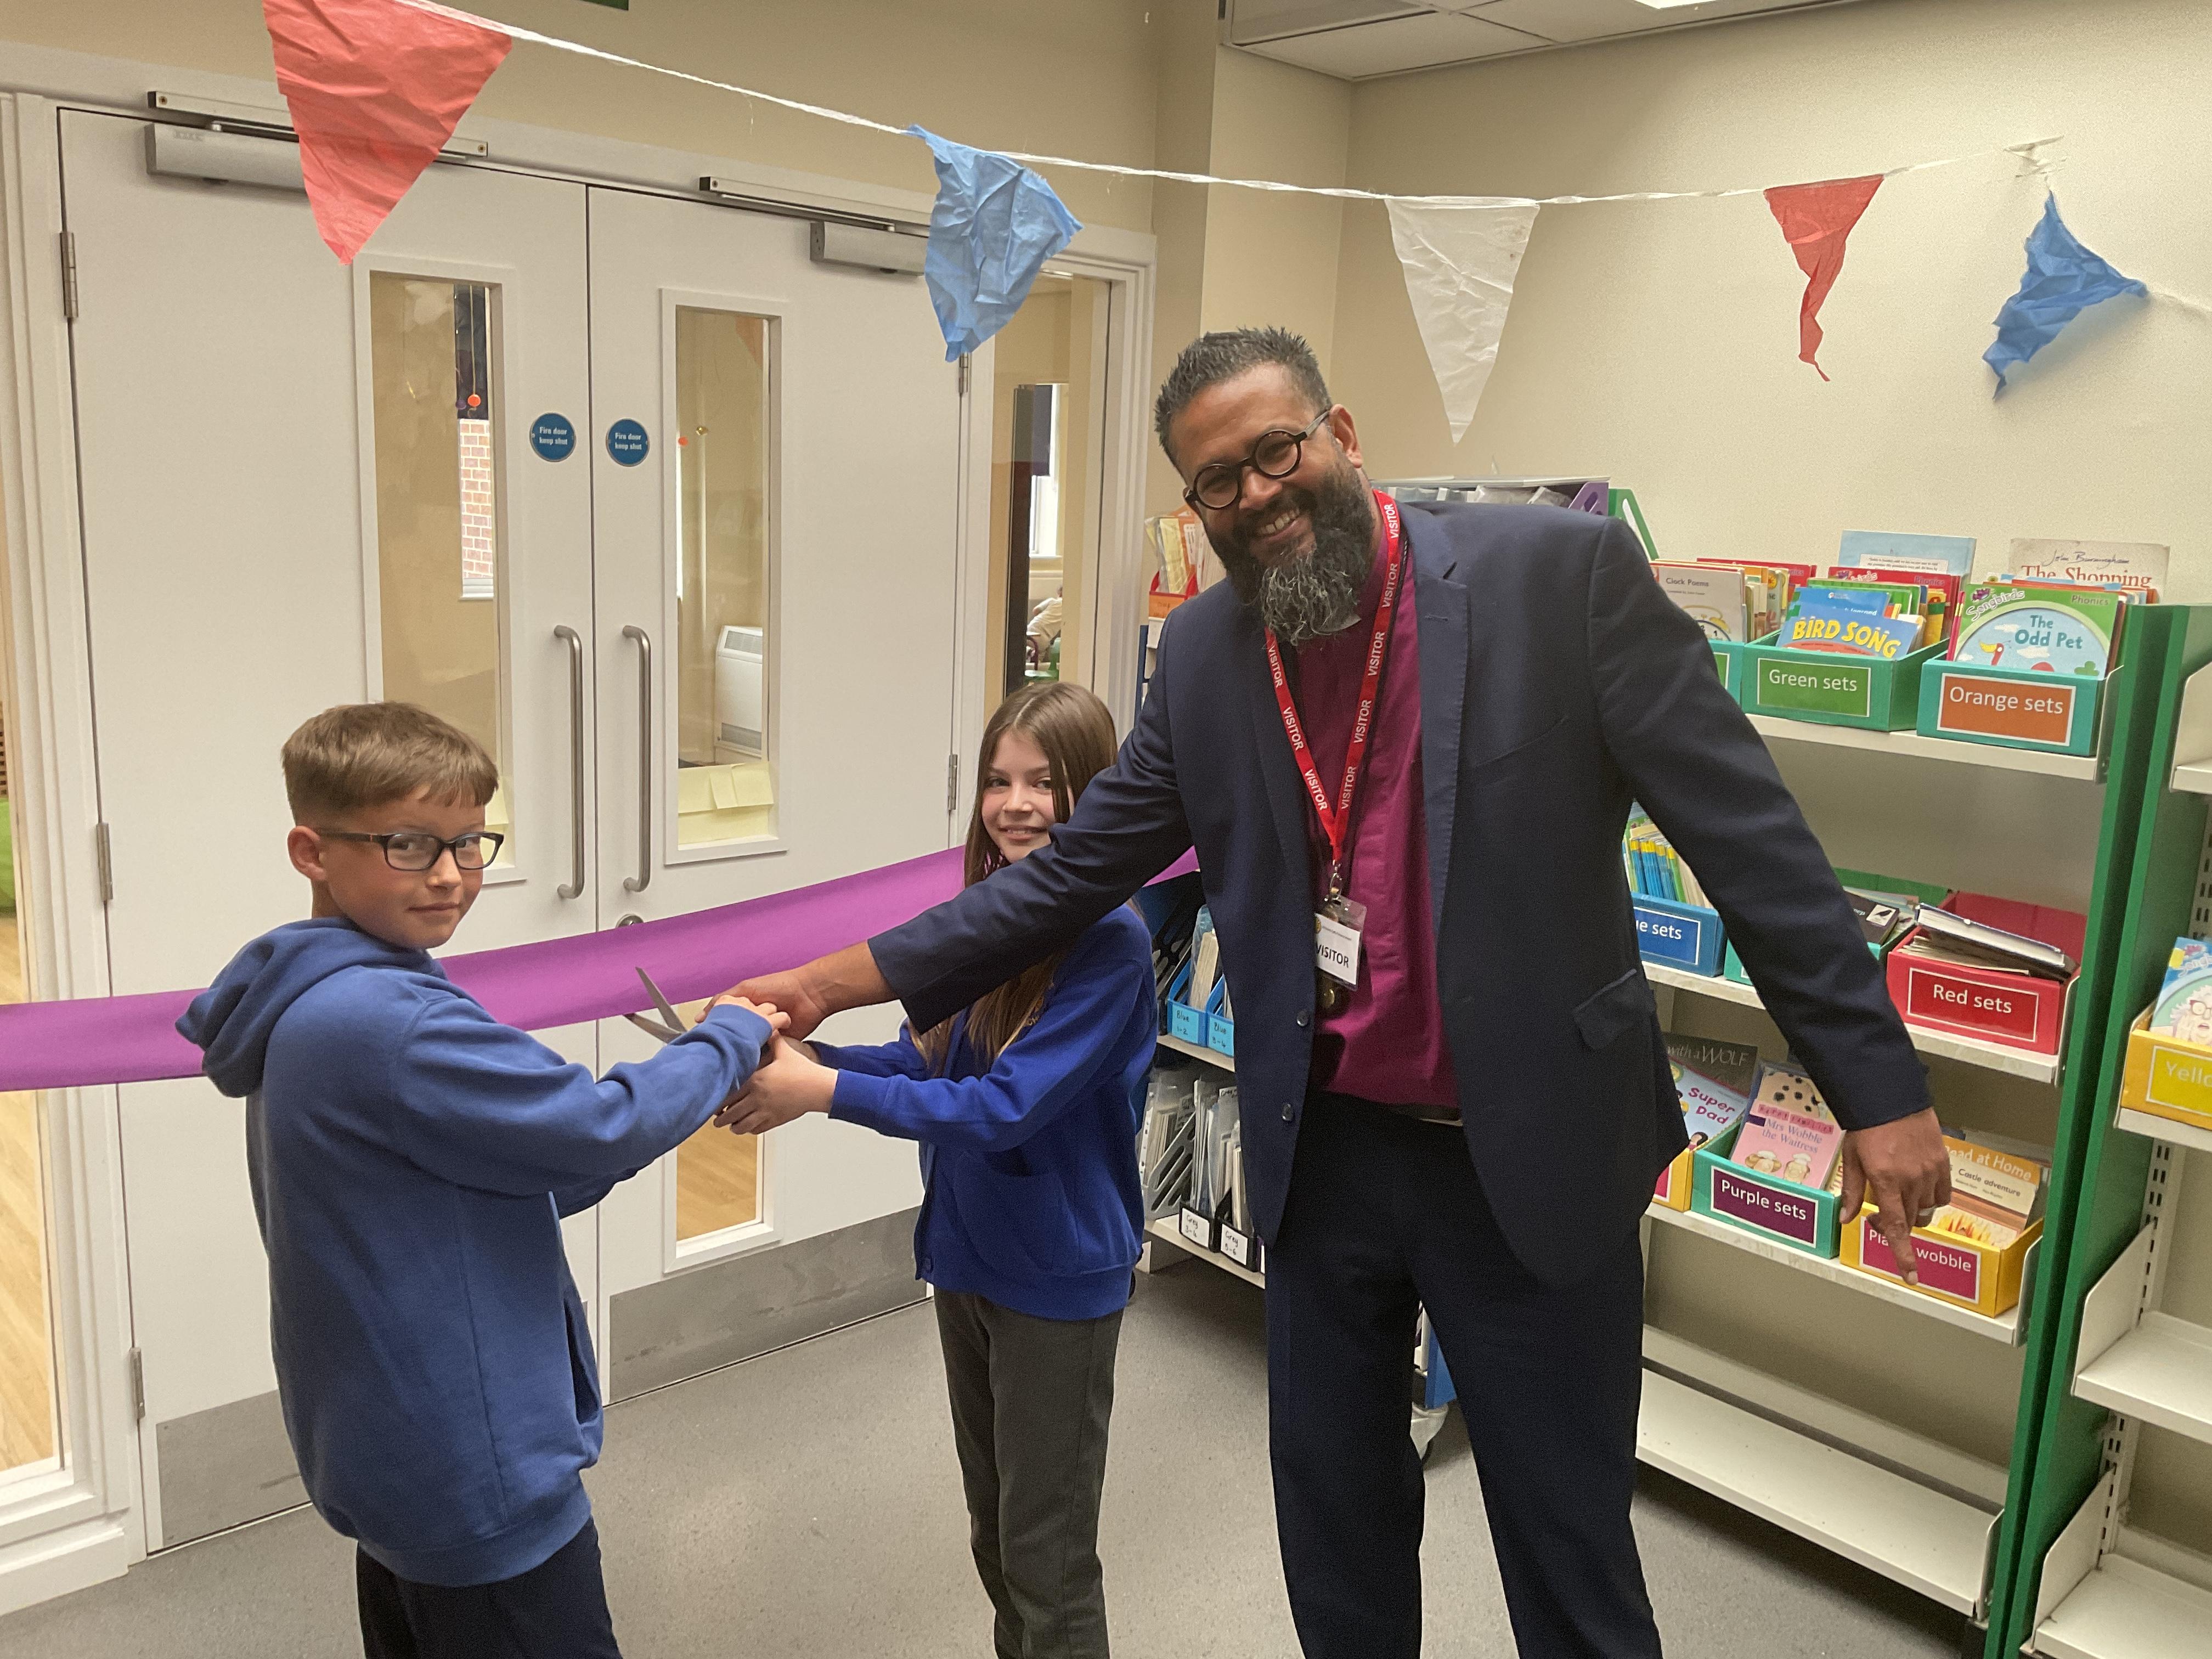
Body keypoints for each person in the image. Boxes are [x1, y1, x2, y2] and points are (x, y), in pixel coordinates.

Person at [735, 326, 1952, 1659]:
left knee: (1567, 1545)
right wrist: (823, 983)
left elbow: (1751, 843)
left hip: (1531, 1150)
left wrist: (1877, 1092)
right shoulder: (1204, 655)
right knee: (1336, 1528)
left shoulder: (1558, 575)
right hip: (1327, 1155)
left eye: (1277, 450)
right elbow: (1067, 877)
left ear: (1343, 433)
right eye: (1216, 482)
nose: (1256, 494)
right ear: (1193, 509)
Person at [177, 703, 782, 1659]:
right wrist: (733, 1033)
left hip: (393, 1463)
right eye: (409, 844)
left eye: (470, 842)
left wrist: (578, 1154)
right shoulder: (391, 1020)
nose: (453, 875)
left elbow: (480, 1168)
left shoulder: (308, 993)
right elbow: (598, 1126)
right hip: (476, 1482)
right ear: (311, 850)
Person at [720, 681, 1156, 1659]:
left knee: (1048, 1566)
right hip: (969, 1262)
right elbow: (924, 1064)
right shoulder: (984, 923)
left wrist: (820, 1094)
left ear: (1096, 794)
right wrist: (805, 1062)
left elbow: (1004, 1110)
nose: (1017, 805)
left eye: (1046, 784)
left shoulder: (1112, 947)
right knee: (997, 1538)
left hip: (1056, 1283)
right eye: (1000, 782)